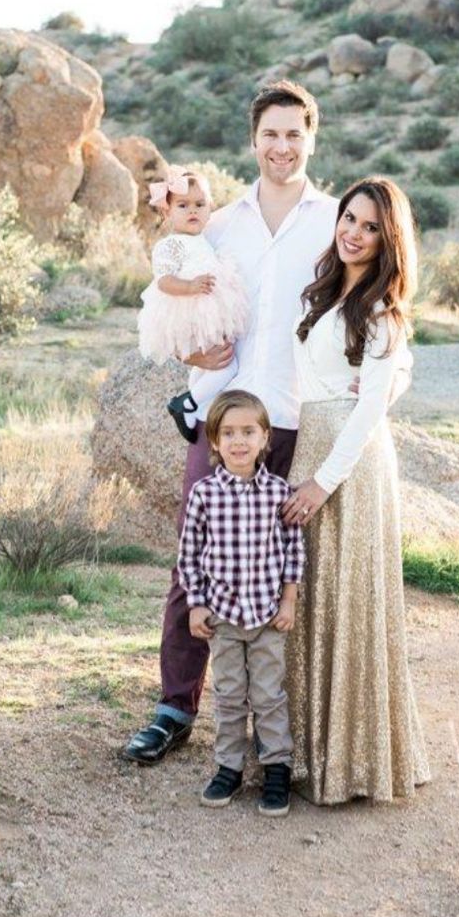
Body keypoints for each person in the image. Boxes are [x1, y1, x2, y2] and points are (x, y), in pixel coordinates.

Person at [124, 79, 339, 764]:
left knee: (289, 568)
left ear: (311, 138)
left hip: (299, 417)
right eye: (270, 134)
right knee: (197, 556)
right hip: (224, 418)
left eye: (294, 134)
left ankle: (284, 724)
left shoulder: (334, 220)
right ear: (254, 140)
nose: (282, 146)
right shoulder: (218, 223)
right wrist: (188, 347)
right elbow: (167, 302)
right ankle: (174, 705)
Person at [282, 177, 431, 805]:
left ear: (388, 238)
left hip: (350, 463)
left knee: (348, 600)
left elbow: (370, 410)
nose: (354, 232)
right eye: (349, 218)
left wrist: (321, 481)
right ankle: (308, 752)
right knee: (310, 599)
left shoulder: (380, 312)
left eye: (371, 226)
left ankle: (354, 761)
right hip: (313, 442)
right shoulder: (324, 293)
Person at [178, 390, 305, 815]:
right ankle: (228, 768)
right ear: (213, 441)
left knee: (268, 695)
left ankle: (276, 770)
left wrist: (289, 601)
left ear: (265, 437)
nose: (238, 441)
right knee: (230, 695)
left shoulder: (278, 492)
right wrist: (196, 604)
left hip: (269, 616)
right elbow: (189, 555)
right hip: (224, 617)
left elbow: (293, 550)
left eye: (248, 432)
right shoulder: (204, 494)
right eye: (228, 433)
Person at [137, 166, 249, 442]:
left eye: (200, 205)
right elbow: (163, 281)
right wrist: (189, 287)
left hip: (208, 312)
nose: (193, 211)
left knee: (207, 366)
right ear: (167, 213)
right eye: (183, 205)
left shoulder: (205, 240)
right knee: (228, 365)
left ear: (210, 208)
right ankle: (185, 402)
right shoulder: (170, 245)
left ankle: (194, 409)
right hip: (188, 312)